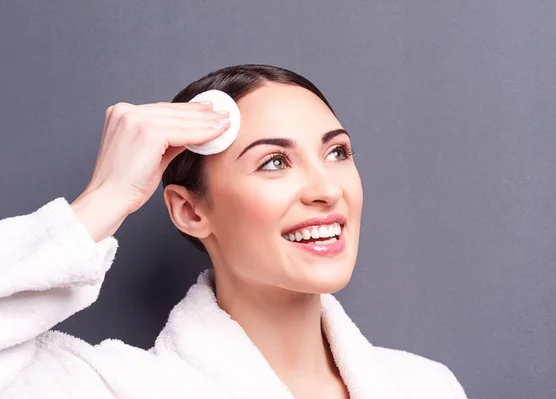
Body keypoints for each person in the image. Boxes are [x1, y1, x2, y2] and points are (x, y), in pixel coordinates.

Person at [0, 64, 467, 398]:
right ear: (190, 211)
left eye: (337, 153)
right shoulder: (112, 387)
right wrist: (105, 197)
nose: (326, 188)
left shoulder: (425, 386)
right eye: (274, 162)